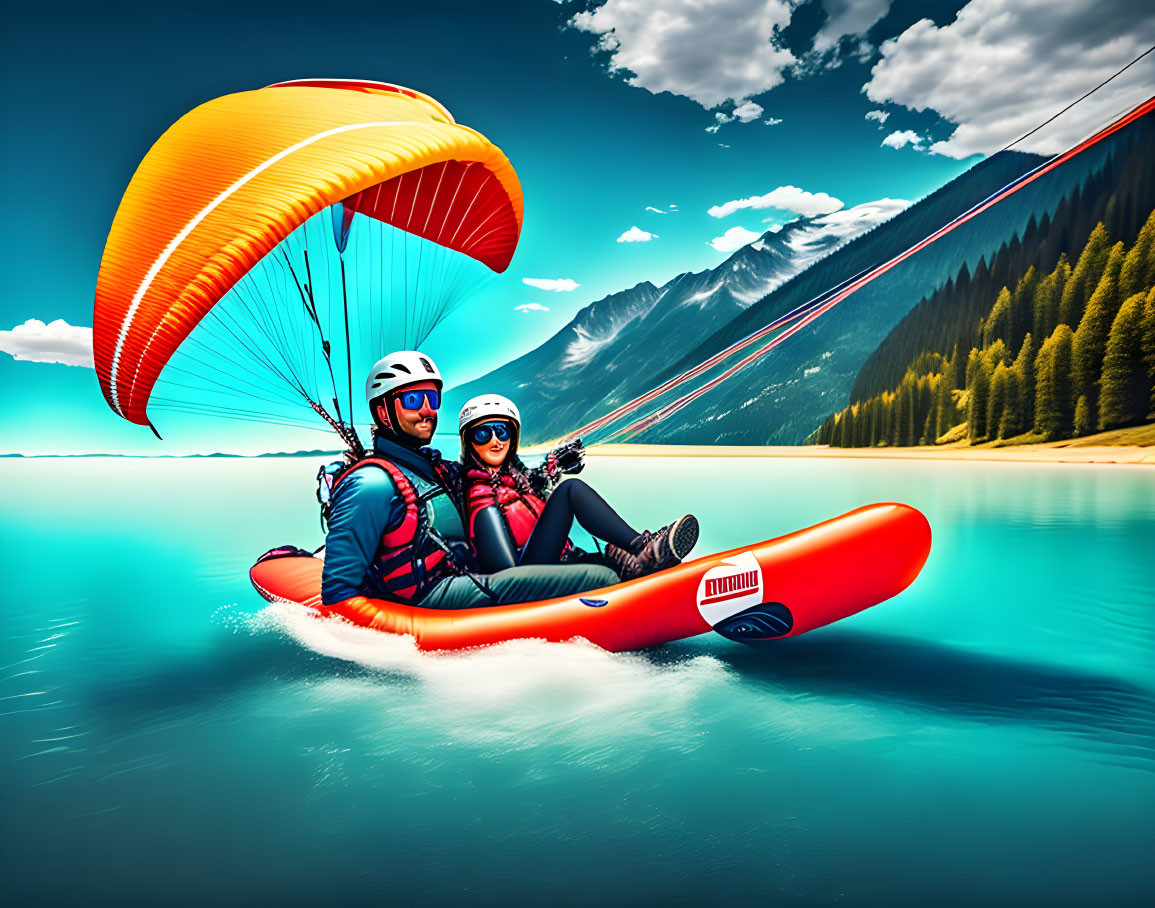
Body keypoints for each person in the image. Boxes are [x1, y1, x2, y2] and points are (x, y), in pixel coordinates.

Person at [320, 351, 619, 616]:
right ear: (383, 412)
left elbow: (494, 476)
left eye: (432, 399)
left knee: (603, 565)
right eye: (413, 400)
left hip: (467, 577)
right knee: (602, 579)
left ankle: (637, 552)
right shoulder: (371, 483)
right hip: (429, 598)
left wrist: (550, 466)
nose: (427, 410)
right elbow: (338, 591)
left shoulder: (435, 470)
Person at [458, 394, 699, 581]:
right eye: (482, 434)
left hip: (557, 559)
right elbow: (505, 571)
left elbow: (537, 484)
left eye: (501, 431)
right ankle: (645, 549)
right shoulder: (477, 489)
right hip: (526, 573)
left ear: (512, 438)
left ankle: (638, 561)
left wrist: (551, 468)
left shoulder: (519, 479)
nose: (495, 441)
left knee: (613, 553)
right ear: (469, 442)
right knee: (570, 490)